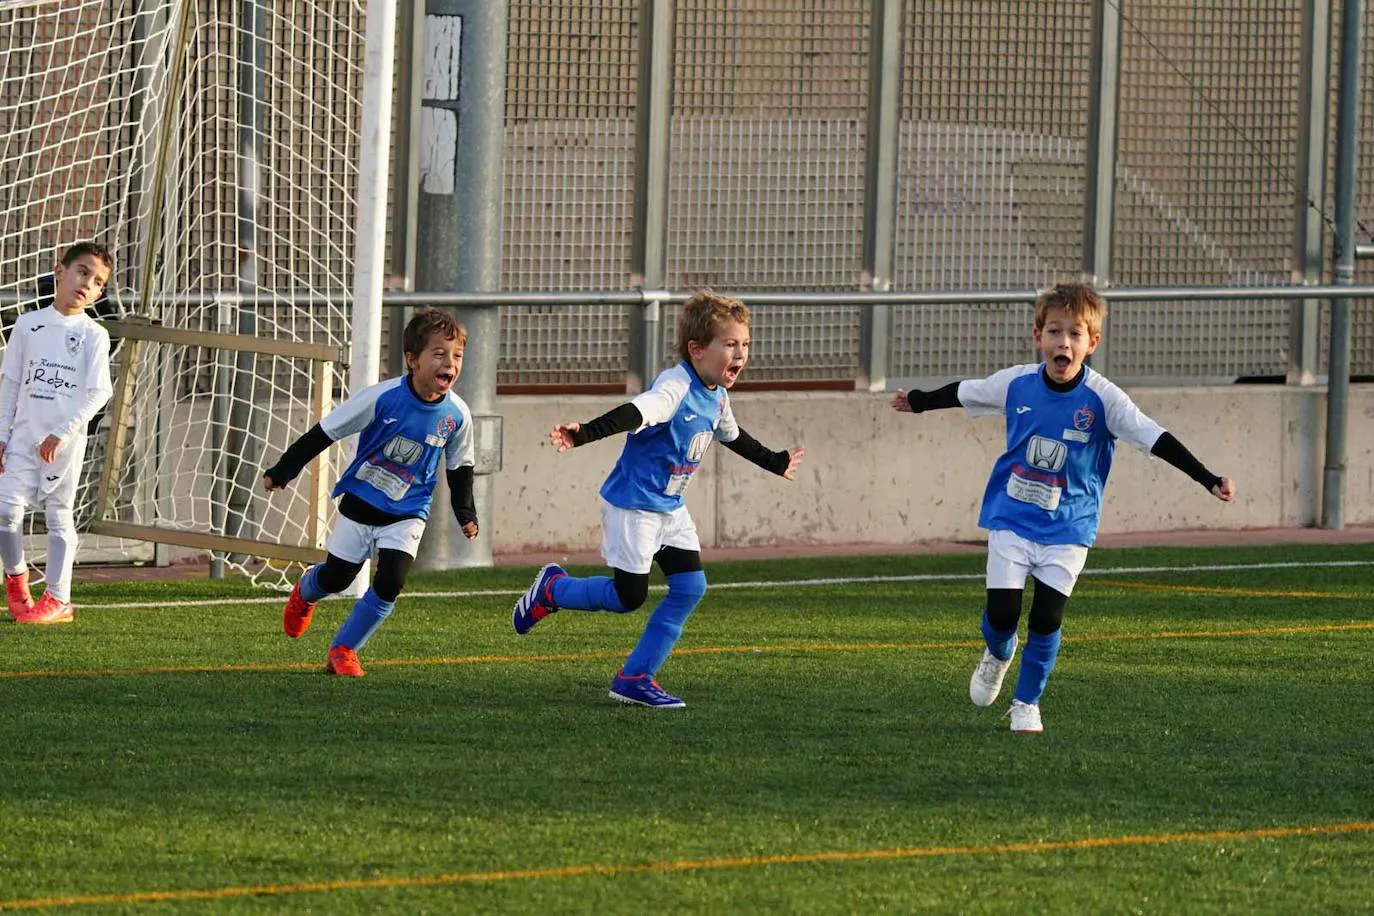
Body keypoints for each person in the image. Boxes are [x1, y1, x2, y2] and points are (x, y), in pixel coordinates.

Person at [891, 281, 1236, 734]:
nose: (1064, 342)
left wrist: (1208, 478)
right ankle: (997, 652)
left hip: (1070, 527)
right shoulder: (1016, 383)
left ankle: (1026, 703)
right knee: (1002, 616)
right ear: (1038, 337)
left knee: (1047, 617)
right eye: (1055, 332)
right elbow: (965, 392)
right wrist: (918, 401)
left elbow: (1155, 437)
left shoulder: (1104, 399)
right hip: (1012, 518)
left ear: (1091, 343)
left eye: (1075, 334)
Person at [512, 289, 804, 708]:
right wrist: (586, 432)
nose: (740, 354)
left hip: (670, 510)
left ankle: (635, 677)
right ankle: (555, 590)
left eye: (745, 345)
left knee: (690, 588)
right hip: (634, 506)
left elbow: (732, 436)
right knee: (627, 597)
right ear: (697, 349)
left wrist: (775, 461)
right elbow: (637, 411)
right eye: (730, 344)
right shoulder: (675, 387)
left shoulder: (717, 394)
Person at [262, 308, 477, 677]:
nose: (450, 363)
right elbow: (324, 433)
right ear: (412, 360)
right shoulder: (381, 397)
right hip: (361, 503)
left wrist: (466, 512)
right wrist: (285, 470)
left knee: (391, 582)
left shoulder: (457, 414)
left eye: (456, 355)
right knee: (338, 578)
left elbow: (460, 465)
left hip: (410, 510)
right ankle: (306, 591)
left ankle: (344, 650)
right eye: (439, 353)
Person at [0, 241, 114, 625]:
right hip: (21, 438)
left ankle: (59, 598)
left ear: (99, 292)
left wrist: (63, 433)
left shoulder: (94, 335)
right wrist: (2, 435)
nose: (87, 284)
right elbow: (11, 384)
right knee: (5, 511)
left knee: (59, 517)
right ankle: (16, 579)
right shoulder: (28, 325)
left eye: (97, 282)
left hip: (64, 447)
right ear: (59, 271)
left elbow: (101, 391)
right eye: (82, 272)